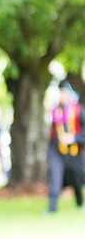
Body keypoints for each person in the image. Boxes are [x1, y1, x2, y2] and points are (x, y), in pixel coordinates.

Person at [46, 80, 85, 213]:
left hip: (74, 151)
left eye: (63, 93)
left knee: (77, 177)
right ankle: (52, 208)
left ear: (69, 94)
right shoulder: (56, 110)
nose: (61, 96)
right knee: (54, 176)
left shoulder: (79, 110)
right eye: (60, 93)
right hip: (56, 150)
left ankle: (80, 203)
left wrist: (74, 138)